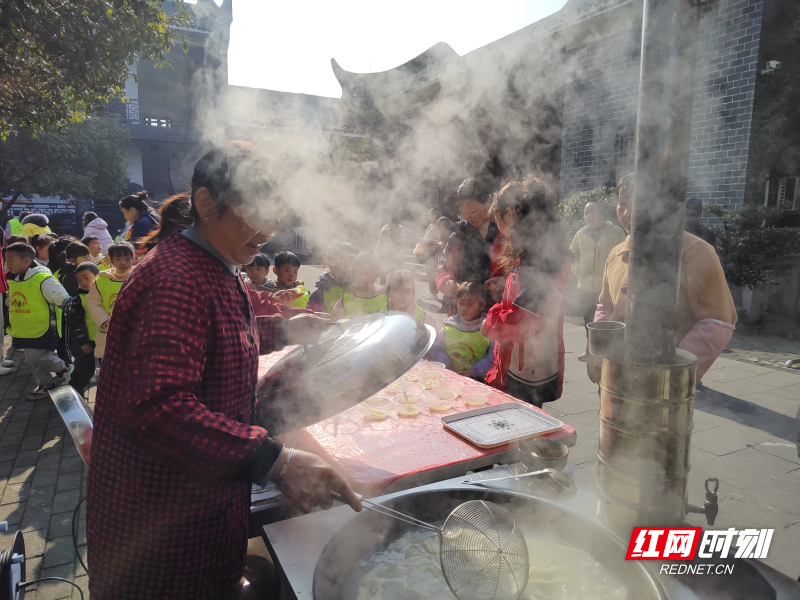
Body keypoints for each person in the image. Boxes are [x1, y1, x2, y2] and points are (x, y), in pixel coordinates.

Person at [86, 143, 361, 600]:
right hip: (160, 526)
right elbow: (159, 407)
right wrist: (277, 461)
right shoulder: (176, 278)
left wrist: (288, 330)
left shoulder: (214, 263)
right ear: (206, 204)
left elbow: (220, 335)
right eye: (257, 210)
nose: (269, 230)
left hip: (199, 499)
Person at [587, 174, 737, 384]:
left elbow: (716, 323)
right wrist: (598, 353)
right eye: (622, 204)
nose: (627, 213)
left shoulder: (694, 251)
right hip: (615, 375)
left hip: (664, 389)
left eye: (639, 204)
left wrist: (672, 375)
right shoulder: (616, 253)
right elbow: (606, 306)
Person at [482, 178, 571, 407]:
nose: (497, 226)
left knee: (523, 430)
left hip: (530, 367)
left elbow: (524, 319)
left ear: (511, 213)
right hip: (522, 359)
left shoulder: (543, 259)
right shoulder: (533, 251)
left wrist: (489, 322)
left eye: (498, 217)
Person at [5, 242, 72, 400]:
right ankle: (46, 383)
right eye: (6, 260)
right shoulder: (16, 279)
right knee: (31, 358)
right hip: (24, 327)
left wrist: (72, 310)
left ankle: (64, 368)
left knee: (37, 356)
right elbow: (14, 298)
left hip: (43, 326)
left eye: (11, 259)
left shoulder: (42, 278)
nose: (7, 263)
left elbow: (61, 297)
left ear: (27, 260)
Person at [569, 201, 626, 361]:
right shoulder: (580, 233)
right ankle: (590, 351)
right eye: (586, 213)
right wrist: (577, 271)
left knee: (607, 321)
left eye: (592, 212)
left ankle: (607, 353)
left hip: (607, 288)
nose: (588, 216)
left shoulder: (615, 232)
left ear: (602, 214)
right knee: (588, 321)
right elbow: (573, 255)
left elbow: (623, 256)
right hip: (585, 286)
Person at [436, 178, 502, 314]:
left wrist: (504, 281)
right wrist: (447, 282)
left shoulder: (503, 232)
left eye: (473, 212)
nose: (468, 217)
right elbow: (442, 268)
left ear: (488, 203)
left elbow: (517, 274)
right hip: (462, 311)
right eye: (463, 214)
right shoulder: (459, 235)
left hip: (496, 312)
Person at [430, 281, 495, 380]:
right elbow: (438, 349)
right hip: (448, 378)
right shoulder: (449, 327)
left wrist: (473, 371)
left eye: (470, 304)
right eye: (461, 303)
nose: (465, 308)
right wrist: (446, 366)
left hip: (475, 383)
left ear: (481, 306)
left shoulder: (488, 330)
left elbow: (492, 357)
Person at [86, 242, 134, 360]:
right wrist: (103, 320)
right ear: (111, 260)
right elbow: (93, 303)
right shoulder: (101, 281)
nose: (123, 262)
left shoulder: (139, 277)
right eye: (118, 259)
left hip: (133, 327)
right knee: (109, 358)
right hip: (109, 327)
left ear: (134, 258)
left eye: (127, 258)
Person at [62, 262, 100, 397]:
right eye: (79, 279)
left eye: (86, 277)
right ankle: (75, 396)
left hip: (106, 340)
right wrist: (83, 342)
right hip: (88, 341)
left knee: (109, 371)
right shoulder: (79, 298)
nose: (83, 282)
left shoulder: (104, 294)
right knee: (83, 371)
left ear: (97, 276)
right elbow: (75, 322)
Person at [331, 252, 387, 319]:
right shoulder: (347, 296)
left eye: (370, 272)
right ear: (354, 274)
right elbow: (335, 320)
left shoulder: (385, 296)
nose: (365, 277)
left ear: (378, 274)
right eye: (361, 272)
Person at [308, 241, 353, 313]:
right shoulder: (322, 286)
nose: (340, 263)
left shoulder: (358, 283)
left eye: (344, 259)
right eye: (334, 259)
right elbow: (312, 312)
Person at [375, 215, 405, 284]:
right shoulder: (384, 231)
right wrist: (376, 251)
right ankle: (382, 288)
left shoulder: (401, 232)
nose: (388, 224)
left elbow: (403, 245)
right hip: (384, 255)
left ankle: (393, 289)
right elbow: (380, 241)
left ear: (395, 224)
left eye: (390, 223)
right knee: (382, 273)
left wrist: (401, 256)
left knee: (394, 274)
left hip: (395, 256)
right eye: (388, 222)